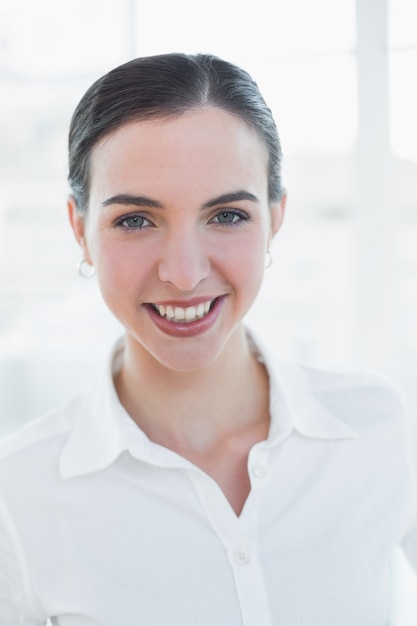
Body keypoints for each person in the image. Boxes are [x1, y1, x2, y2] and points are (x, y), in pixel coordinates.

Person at [0, 53, 416, 625]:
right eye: (135, 220)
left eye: (226, 216)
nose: (185, 271)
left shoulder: (379, 429)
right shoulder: (18, 494)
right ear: (80, 229)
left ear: (276, 217)